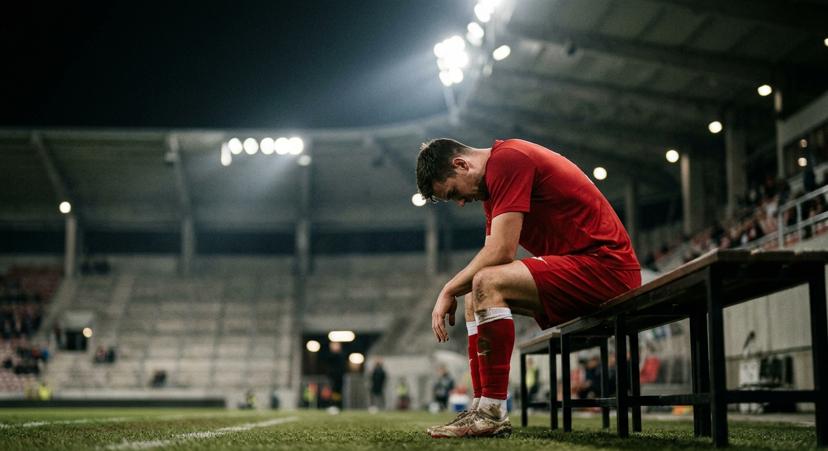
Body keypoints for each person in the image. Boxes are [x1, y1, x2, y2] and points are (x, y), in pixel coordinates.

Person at [416, 138, 640, 438]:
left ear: (461, 164)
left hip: (607, 268)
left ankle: (493, 413)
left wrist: (446, 290)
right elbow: (488, 258)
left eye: (454, 192)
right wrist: (459, 288)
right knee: (474, 290)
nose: (459, 202)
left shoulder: (509, 159)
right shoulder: (493, 187)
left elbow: (501, 252)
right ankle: (482, 407)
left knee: (486, 282)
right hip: (581, 266)